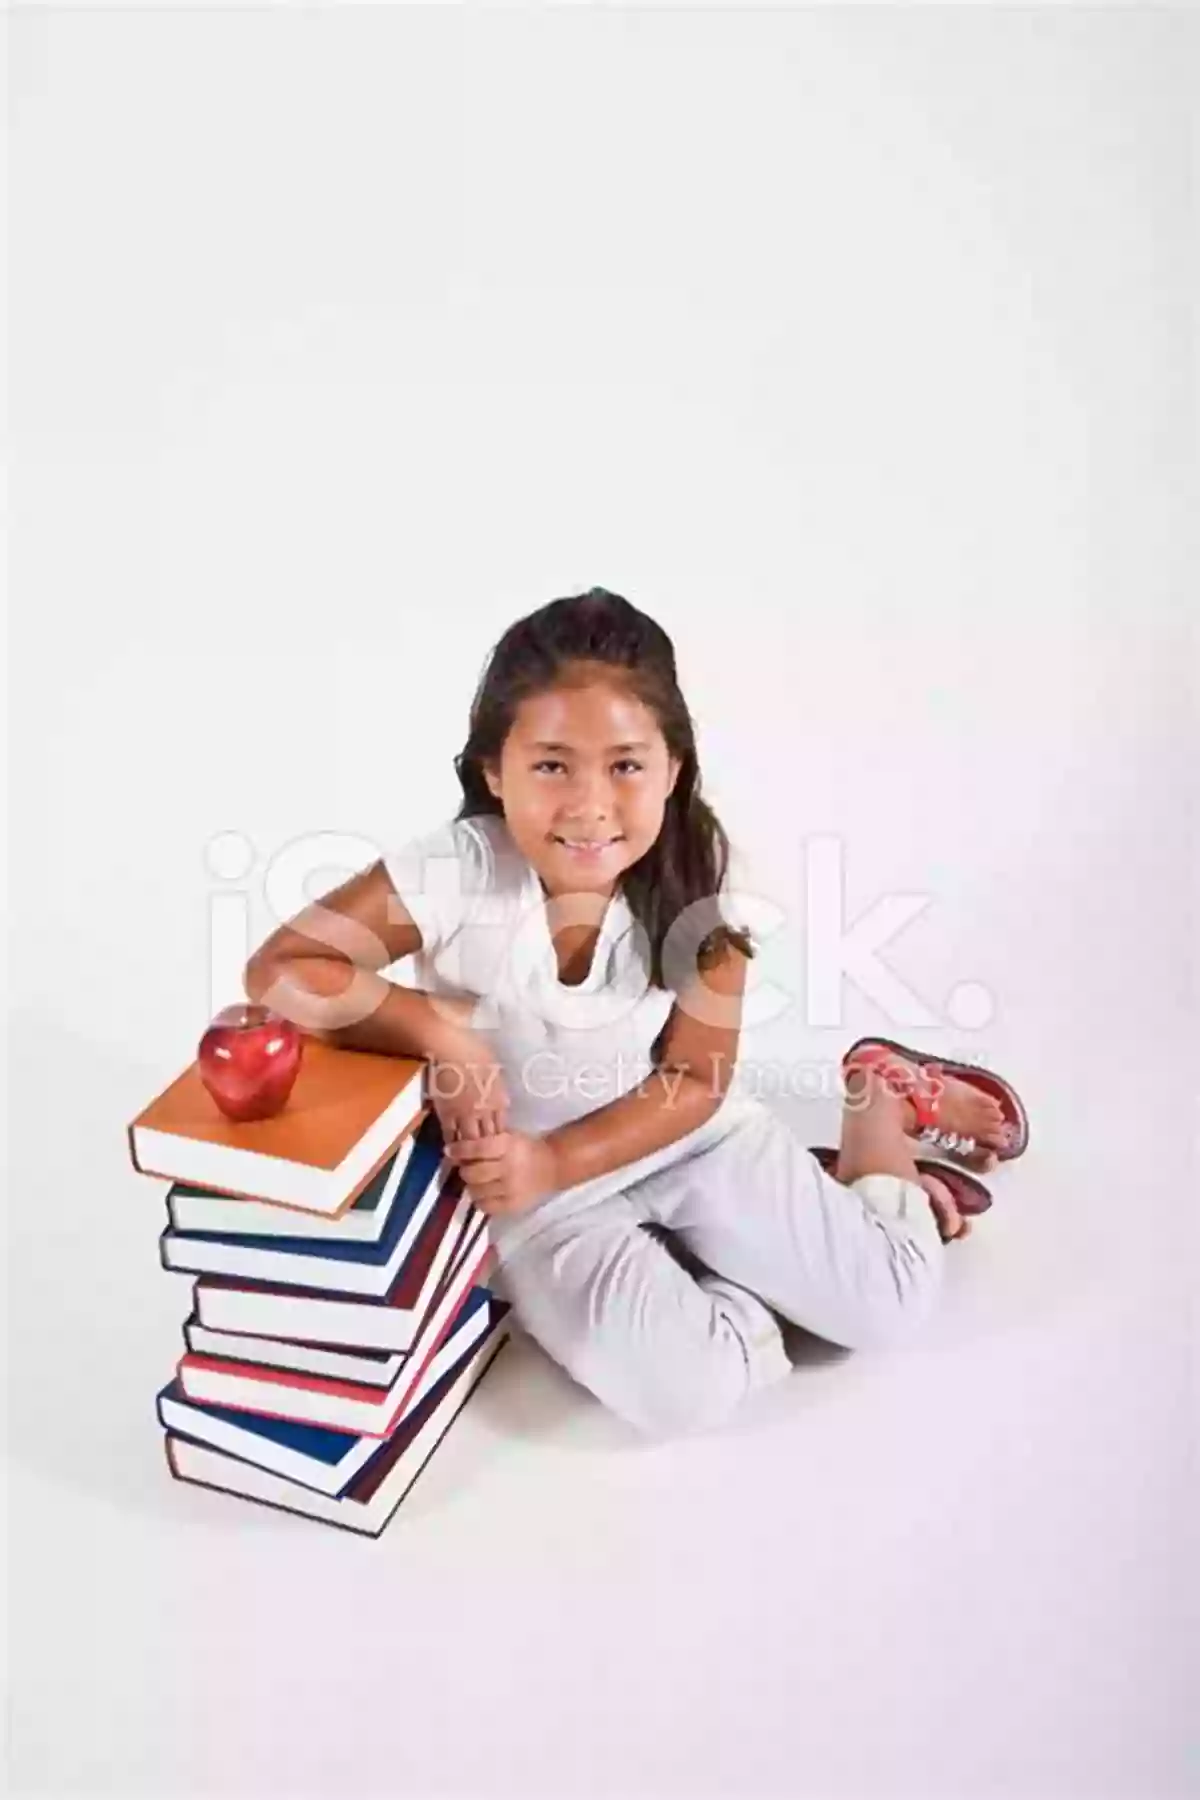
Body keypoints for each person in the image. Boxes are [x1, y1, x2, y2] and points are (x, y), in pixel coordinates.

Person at [244, 587, 1014, 1438]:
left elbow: (696, 1077)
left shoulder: (697, 869)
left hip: (681, 1133)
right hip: (534, 1195)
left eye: (624, 764)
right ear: (493, 771)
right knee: (691, 1393)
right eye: (550, 765)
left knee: (890, 1309)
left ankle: (878, 1108)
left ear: (673, 766)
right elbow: (283, 968)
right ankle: (756, 1265)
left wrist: (558, 1157)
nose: (589, 805)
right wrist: (438, 1031)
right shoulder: (459, 869)